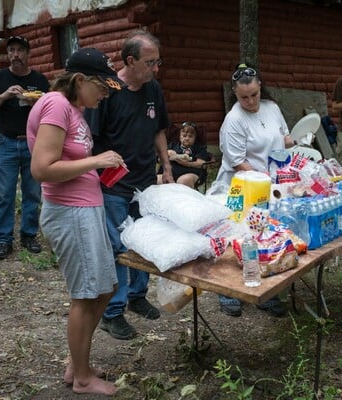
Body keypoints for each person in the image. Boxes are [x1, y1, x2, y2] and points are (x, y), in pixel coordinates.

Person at [27, 48, 124, 396]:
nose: (106, 93)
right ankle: (82, 378)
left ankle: (77, 361)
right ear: (80, 80)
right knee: (85, 295)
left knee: (106, 287)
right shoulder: (55, 105)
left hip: (86, 208)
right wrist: (96, 161)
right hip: (70, 212)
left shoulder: (74, 109)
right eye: (102, 86)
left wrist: (100, 169)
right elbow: (42, 169)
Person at [85, 30, 173, 340]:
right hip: (114, 187)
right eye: (150, 63)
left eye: (157, 62)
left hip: (145, 183)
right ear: (130, 61)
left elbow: (158, 130)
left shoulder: (153, 89)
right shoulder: (107, 91)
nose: (155, 69)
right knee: (119, 247)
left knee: (144, 242)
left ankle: (137, 296)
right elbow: (92, 141)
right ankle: (113, 312)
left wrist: (166, 166)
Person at [215, 63, 294, 318]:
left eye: (254, 95)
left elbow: (284, 138)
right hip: (239, 187)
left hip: (267, 186)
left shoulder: (272, 108)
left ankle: (265, 292)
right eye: (243, 97)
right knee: (236, 237)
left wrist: (293, 143)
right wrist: (264, 181)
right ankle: (227, 291)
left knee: (265, 237)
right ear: (235, 95)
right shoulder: (234, 120)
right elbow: (239, 162)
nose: (250, 101)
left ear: (260, 86)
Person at [0, 35, 50, 260]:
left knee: (32, 192)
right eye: (11, 51)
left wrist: (36, 102)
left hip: (33, 143)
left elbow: (52, 108)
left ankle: (29, 236)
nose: (15, 55)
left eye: (20, 50)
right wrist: (4, 95)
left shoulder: (39, 80)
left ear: (28, 54)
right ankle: (3, 240)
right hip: (6, 143)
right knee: (5, 194)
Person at [157, 121, 213, 188]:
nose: (187, 138)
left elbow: (202, 164)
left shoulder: (199, 148)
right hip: (169, 173)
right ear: (180, 136)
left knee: (183, 181)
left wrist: (186, 163)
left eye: (190, 136)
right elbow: (159, 159)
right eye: (184, 136)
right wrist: (167, 153)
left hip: (190, 173)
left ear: (195, 137)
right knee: (157, 179)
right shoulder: (172, 146)